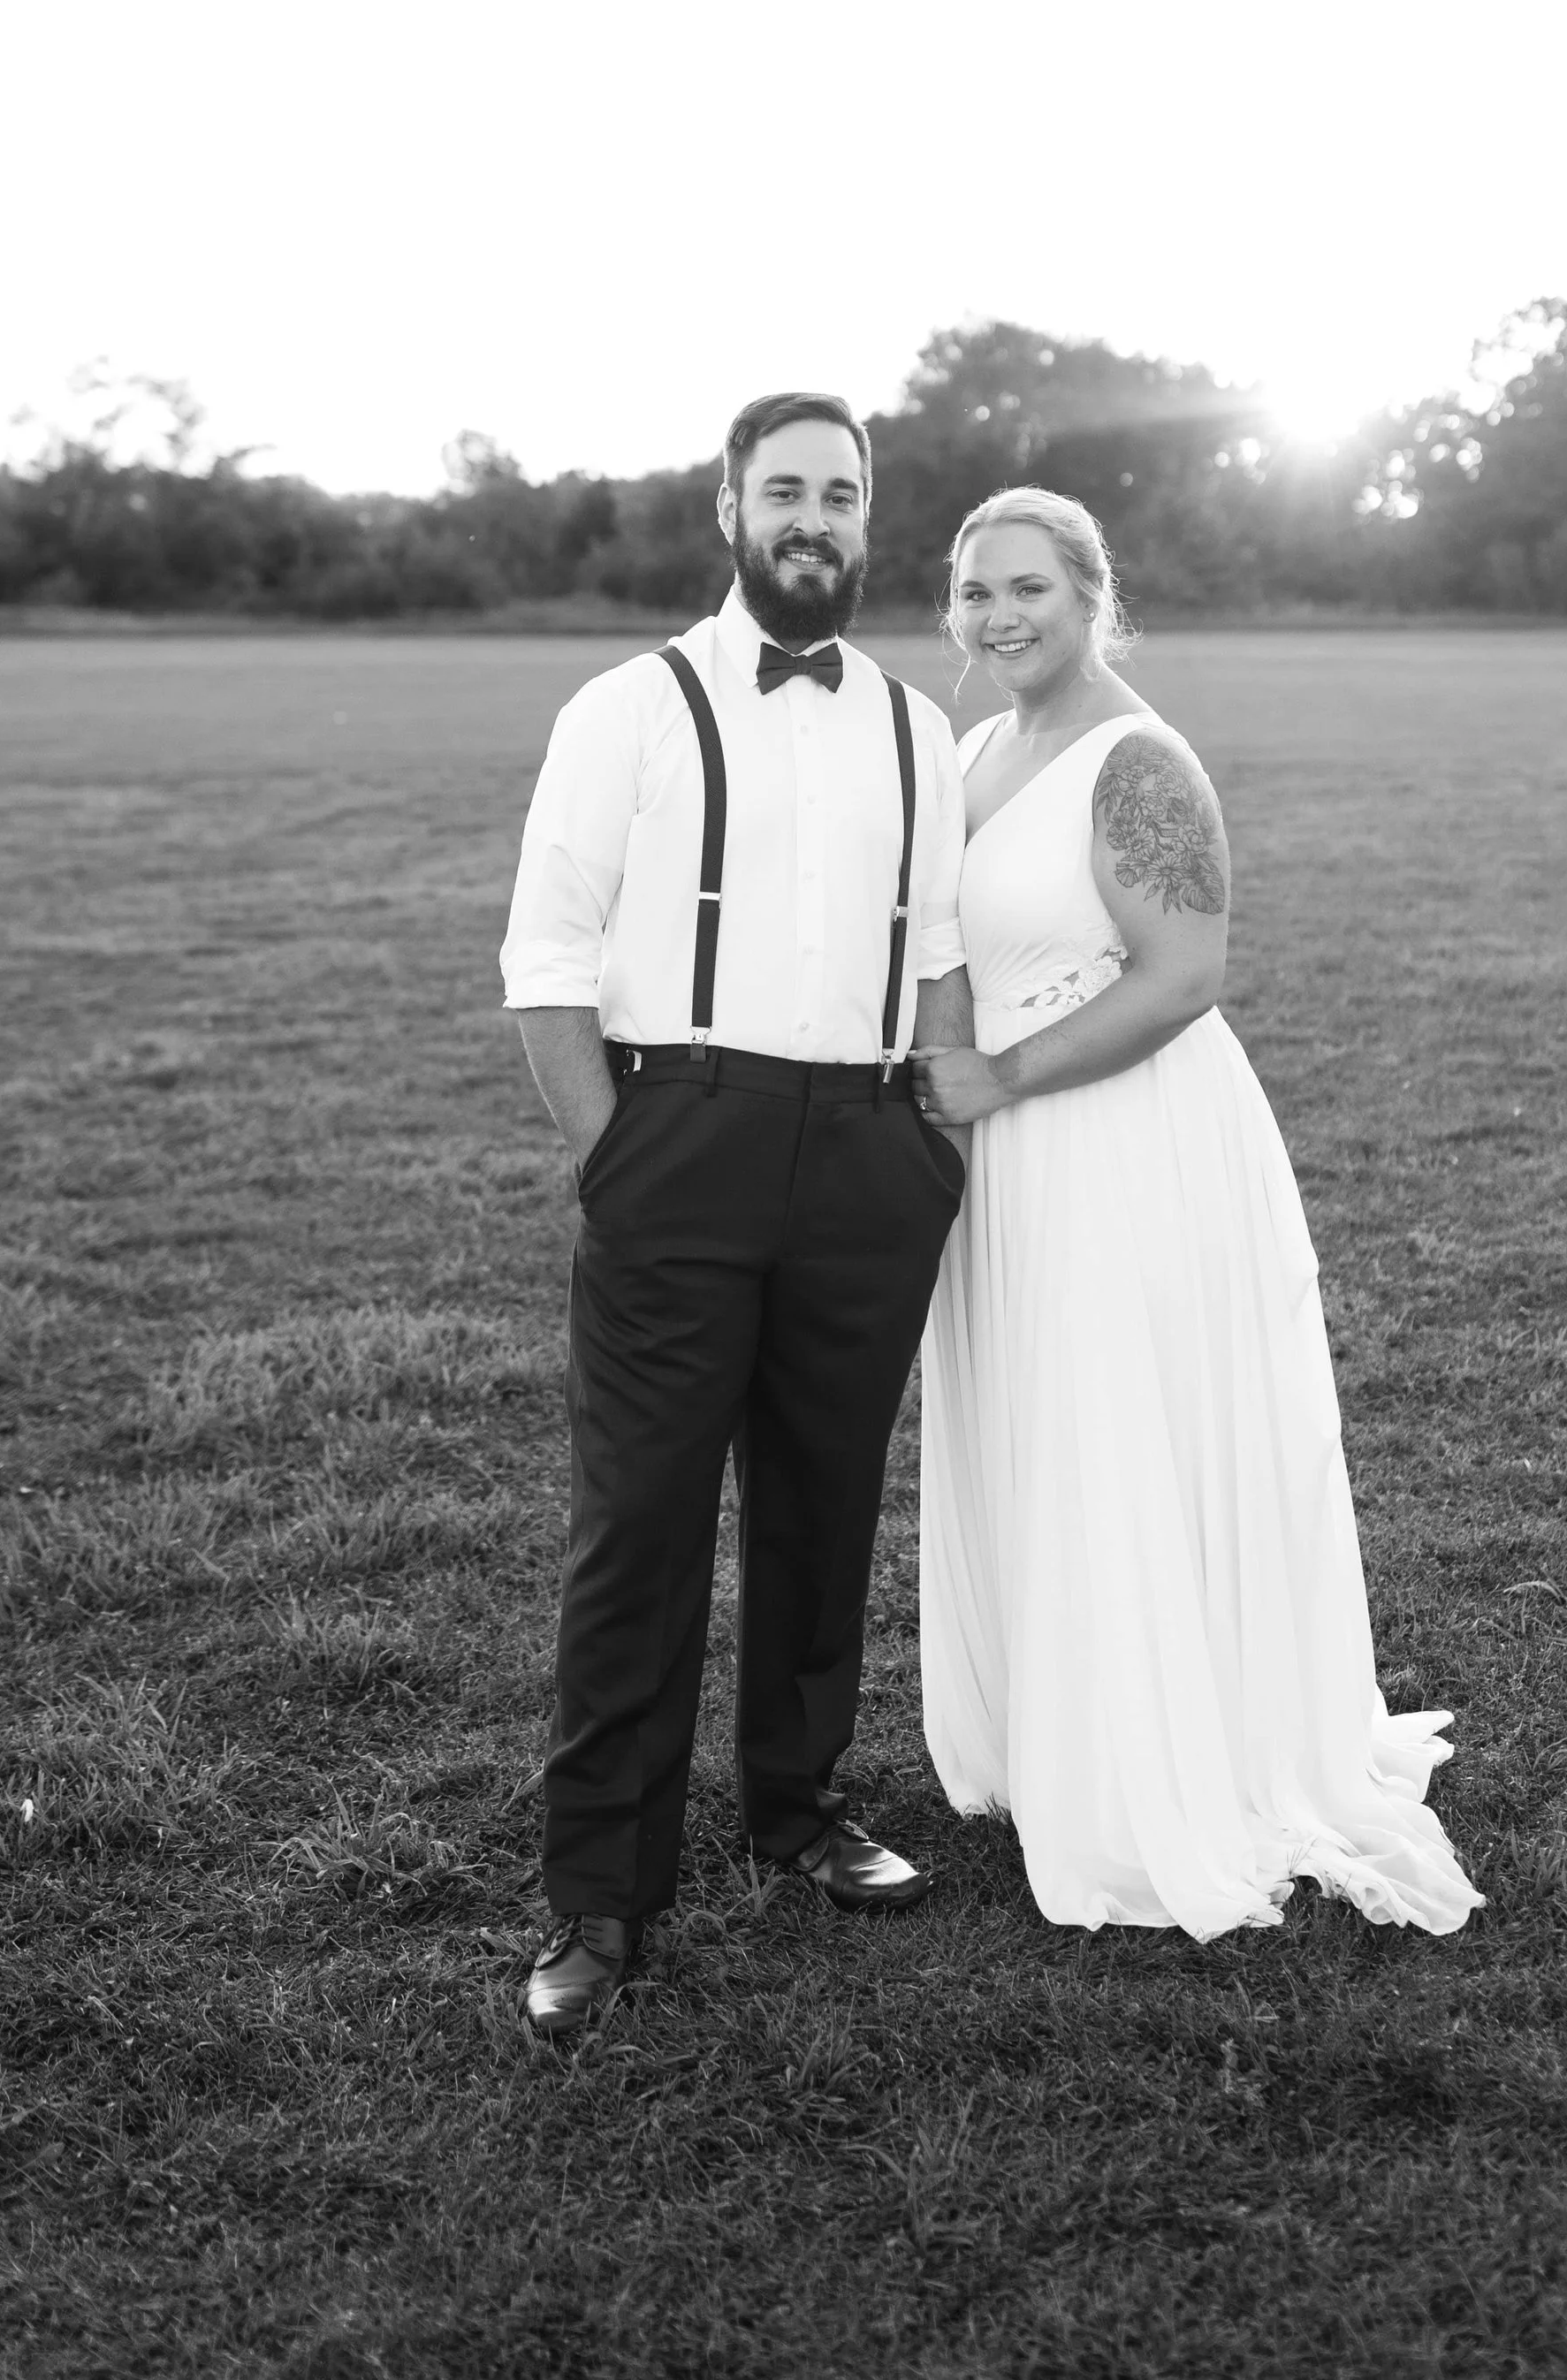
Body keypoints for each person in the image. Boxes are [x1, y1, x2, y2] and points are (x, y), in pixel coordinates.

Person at [911, 490, 1480, 1940]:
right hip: (1005, 1157)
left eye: (1028, 587)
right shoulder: (979, 747)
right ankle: (1061, 1736)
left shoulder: (1139, 761)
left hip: (1120, 1138)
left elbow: (1183, 975)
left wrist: (1003, 1073)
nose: (998, 616)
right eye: (975, 593)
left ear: (1093, 594)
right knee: (1042, 1421)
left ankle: (1156, 1768)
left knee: (1119, 1430)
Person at [500, 392, 975, 2033]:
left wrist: (939, 1134)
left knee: (824, 1502)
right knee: (639, 1523)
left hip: (866, 1151)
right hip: (679, 1135)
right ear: (727, 508)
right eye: (785, 489)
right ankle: (600, 1891)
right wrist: (614, 1152)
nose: (814, 519)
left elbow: (935, 954)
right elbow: (547, 955)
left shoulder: (919, 730)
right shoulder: (624, 709)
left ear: (866, 520)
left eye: (841, 494)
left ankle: (798, 1807)